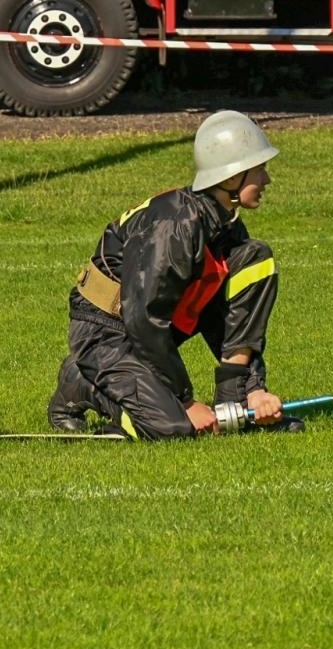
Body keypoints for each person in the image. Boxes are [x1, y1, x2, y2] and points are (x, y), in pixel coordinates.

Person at [47, 110, 300, 439]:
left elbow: (223, 310)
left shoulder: (223, 220)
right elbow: (143, 318)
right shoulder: (175, 224)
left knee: (255, 259)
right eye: (260, 169)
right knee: (173, 428)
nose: (267, 180)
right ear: (231, 178)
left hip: (144, 324)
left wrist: (254, 392)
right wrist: (186, 401)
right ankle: (84, 383)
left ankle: (234, 395)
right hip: (106, 332)